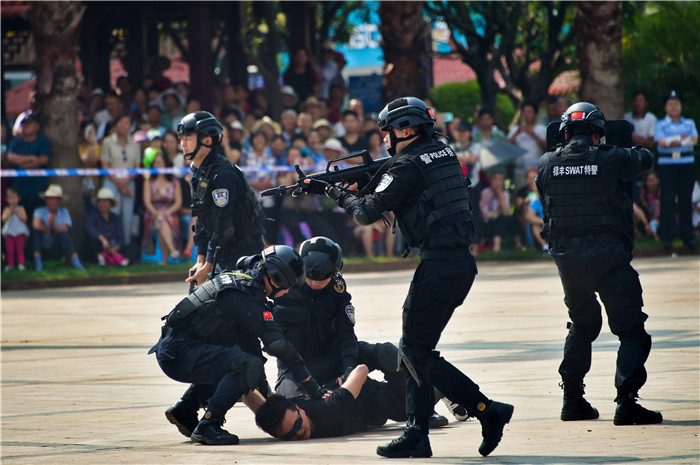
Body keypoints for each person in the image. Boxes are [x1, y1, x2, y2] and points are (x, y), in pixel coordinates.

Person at [308, 97, 514, 458]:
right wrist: (364, 181)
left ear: (406, 130)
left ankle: (485, 409)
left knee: (414, 353)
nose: (384, 138)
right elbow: (410, 183)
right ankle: (419, 432)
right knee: (417, 353)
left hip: (439, 267)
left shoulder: (406, 164)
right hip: (458, 265)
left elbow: (366, 213)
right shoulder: (443, 153)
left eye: (388, 131)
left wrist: (335, 192)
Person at [536, 101, 662, 426]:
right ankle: (627, 403)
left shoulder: (547, 162)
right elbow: (645, 159)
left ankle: (572, 400)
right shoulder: (610, 158)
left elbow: (547, 201)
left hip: (567, 261)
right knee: (631, 331)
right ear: (597, 134)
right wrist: (625, 147)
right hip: (607, 257)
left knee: (582, 325)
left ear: (565, 133)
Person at [150, 245, 327, 445]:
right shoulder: (244, 296)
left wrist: (269, 403)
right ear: (276, 278)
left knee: (241, 361)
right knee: (243, 365)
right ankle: (209, 424)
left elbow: (252, 350)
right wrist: (311, 385)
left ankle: (185, 409)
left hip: (178, 349)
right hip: (179, 355)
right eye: (288, 286)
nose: (287, 291)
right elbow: (278, 345)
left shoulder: (245, 285)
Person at [273, 237, 452, 426]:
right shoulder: (285, 288)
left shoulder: (337, 290)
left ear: (334, 272)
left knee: (387, 353)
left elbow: (346, 335)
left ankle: (423, 406)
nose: (315, 283)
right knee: (288, 407)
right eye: (310, 278)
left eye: (322, 279)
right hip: (297, 364)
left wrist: (348, 369)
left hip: (335, 355)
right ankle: (374, 408)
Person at [177, 111, 266, 286]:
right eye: (181, 139)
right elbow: (201, 217)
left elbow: (224, 225)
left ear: (207, 140)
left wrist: (208, 266)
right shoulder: (197, 170)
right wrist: (200, 260)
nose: (183, 144)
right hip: (221, 250)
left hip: (244, 253)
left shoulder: (224, 175)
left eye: (188, 138)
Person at [254, 364, 406, 440]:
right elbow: (260, 407)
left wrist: (347, 376)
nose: (298, 433)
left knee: (408, 408)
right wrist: (244, 388)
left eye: (298, 424)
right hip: (364, 418)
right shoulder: (278, 420)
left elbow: (362, 369)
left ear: (299, 408)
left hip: (373, 398)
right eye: (290, 435)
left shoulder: (331, 409)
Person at [653, 90, 698, 252]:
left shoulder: (689, 123)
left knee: (686, 200)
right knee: (668, 200)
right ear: (665, 107)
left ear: (681, 106)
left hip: (686, 163)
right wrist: (682, 139)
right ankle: (667, 237)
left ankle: (688, 236)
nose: (674, 107)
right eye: (670, 104)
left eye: (676, 103)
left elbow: (694, 140)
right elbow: (661, 143)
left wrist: (671, 140)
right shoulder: (660, 124)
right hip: (667, 164)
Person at [99, 113, 140, 247]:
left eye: (127, 123)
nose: (123, 126)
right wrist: (118, 182)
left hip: (129, 183)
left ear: (131, 126)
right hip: (111, 182)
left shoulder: (135, 145)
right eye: (121, 122)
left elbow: (137, 167)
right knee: (112, 213)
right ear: (116, 124)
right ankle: (110, 246)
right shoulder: (108, 142)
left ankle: (125, 247)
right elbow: (105, 165)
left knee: (127, 216)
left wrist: (126, 181)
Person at [5, 112, 50, 218]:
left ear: (37, 126)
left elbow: (43, 160)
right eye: (24, 124)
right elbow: (11, 158)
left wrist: (23, 165)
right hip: (19, 189)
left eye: (29, 124)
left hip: (38, 189)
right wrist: (32, 158)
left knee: (36, 218)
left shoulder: (43, 141)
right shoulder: (16, 142)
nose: (26, 126)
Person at [31, 184, 85, 271]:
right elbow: (36, 225)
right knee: (36, 233)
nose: (50, 202)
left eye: (53, 199)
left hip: (56, 248)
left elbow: (64, 229)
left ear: (59, 201)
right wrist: (49, 228)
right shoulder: (39, 211)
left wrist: (53, 224)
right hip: (42, 247)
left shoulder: (64, 212)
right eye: (48, 199)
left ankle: (76, 261)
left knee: (62, 234)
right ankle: (38, 263)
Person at [143, 151, 183, 264]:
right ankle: (172, 250)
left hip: (170, 213)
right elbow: (147, 202)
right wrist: (156, 212)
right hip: (153, 213)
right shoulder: (149, 181)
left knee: (161, 220)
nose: (157, 165)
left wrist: (167, 212)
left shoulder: (174, 182)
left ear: (166, 164)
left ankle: (165, 259)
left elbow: (178, 203)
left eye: (160, 162)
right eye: (155, 163)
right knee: (160, 220)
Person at [506, 101, 547, 190]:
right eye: (524, 112)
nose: (526, 114)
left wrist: (533, 135)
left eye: (529, 112)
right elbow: (506, 146)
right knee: (520, 194)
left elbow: (546, 147)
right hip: (520, 171)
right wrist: (517, 132)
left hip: (538, 170)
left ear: (535, 114)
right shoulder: (515, 129)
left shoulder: (542, 129)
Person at [85, 187, 129, 266]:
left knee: (133, 246)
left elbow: (121, 238)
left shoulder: (116, 218)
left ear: (110, 204)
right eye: (100, 201)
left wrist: (115, 248)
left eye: (105, 202)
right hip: (100, 246)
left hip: (113, 246)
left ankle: (125, 261)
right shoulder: (93, 216)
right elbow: (89, 227)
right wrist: (102, 239)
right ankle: (101, 258)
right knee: (90, 241)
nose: (102, 204)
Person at [2, 187, 30, 271]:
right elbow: (3, 219)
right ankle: (10, 265)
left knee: (20, 249)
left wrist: (18, 212)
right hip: (9, 233)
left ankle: (21, 264)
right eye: (11, 198)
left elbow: (25, 219)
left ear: (19, 199)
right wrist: (10, 212)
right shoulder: (6, 209)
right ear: (7, 199)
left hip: (18, 232)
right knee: (10, 249)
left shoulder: (21, 209)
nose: (13, 200)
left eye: (14, 198)